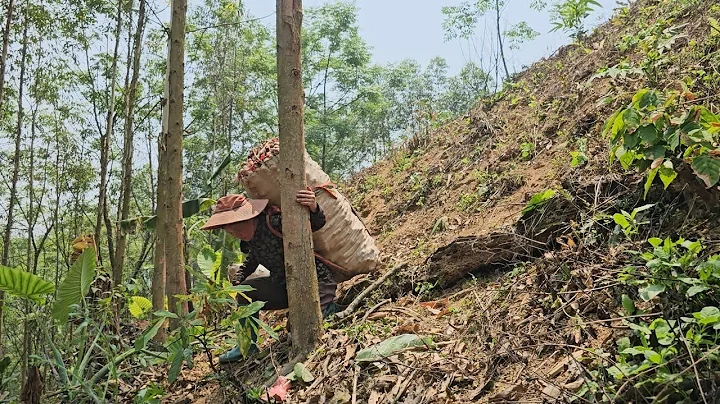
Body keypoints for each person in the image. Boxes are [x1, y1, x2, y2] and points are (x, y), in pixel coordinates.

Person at [200, 189, 338, 363]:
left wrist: (313, 206)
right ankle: (246, 345)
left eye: (237, 228)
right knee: (247, 292)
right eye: (231, 232)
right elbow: (253, 259)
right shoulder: (251, 240)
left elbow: (314, 224)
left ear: (250, 217)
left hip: (316, 283)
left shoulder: (275, 223)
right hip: (284, 286)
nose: (236, 234)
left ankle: (332, 308)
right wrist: (238, 278)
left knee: (299, 328)